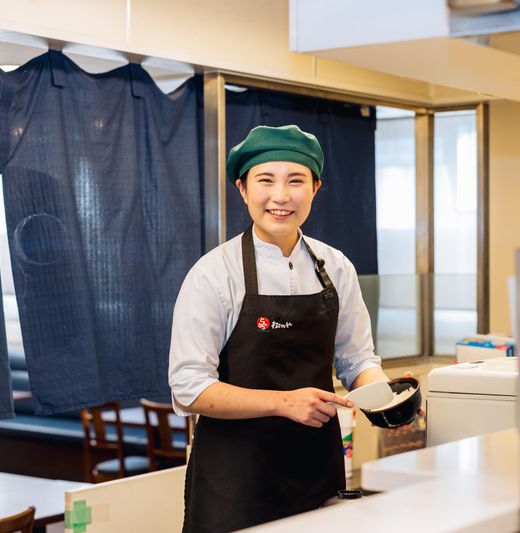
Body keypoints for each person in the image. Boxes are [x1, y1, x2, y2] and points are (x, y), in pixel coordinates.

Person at [168, 124, 391, 532]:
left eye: (296, 180)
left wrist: (386, 397)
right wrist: (283, 402)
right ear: (242, 189)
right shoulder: (214, 274)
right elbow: (189, 387)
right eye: (265, 180)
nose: (281, 196)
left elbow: (357, 359)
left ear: (316, 187)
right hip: (234, 481)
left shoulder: (336, 268)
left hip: (317, 469)